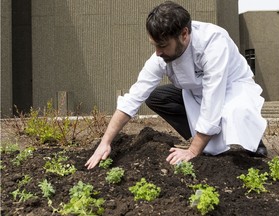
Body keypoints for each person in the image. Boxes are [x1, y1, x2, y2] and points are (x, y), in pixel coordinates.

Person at [85, 1, 267, 170]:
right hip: (196, 91)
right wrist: (105, 142)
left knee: (237, 114)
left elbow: (213, 97)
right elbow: (133, 98)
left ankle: (253, 140)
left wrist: (193, 151)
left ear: (184, 34)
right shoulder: (160, 57)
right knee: (157, 98)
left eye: (162, 46)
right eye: (154, 45)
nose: (157, 52)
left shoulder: (213, 42)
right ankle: (203, 140)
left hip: (231, 88)